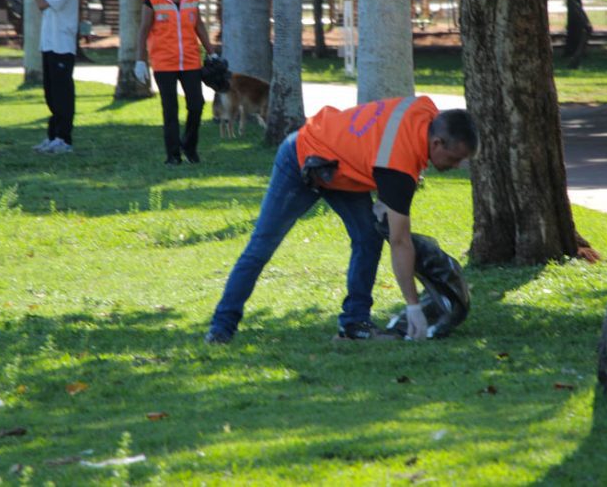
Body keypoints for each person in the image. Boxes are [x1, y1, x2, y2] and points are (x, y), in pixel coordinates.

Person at [205, 97, 479, 344]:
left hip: (341, 170)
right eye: (454, 159)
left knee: (368, 237)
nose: (456, 167)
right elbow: (400, 241)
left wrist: (385, 196)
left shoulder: (424, 109)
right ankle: (221, 327)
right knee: (262, 246)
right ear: (437, 143)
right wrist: (413, 306)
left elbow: (382, 137)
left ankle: (354, 324)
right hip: (302, 158)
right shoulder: (398, 166)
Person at [136, 0, 216, 165]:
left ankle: (189, 146)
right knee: (170, 109)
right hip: (164, 64)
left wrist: (211, 51)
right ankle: (172, 155)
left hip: (190, 61)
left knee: (197, 105)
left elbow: (198, 25)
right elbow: (143, 30)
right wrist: (140, 60)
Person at [25, 0, 79, 154]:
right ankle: (53, 136)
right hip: (49, 45)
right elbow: (46, 6)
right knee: (51, 94)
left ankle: (64, 139)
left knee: (62, 94)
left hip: (62, 47)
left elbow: (41, 4)